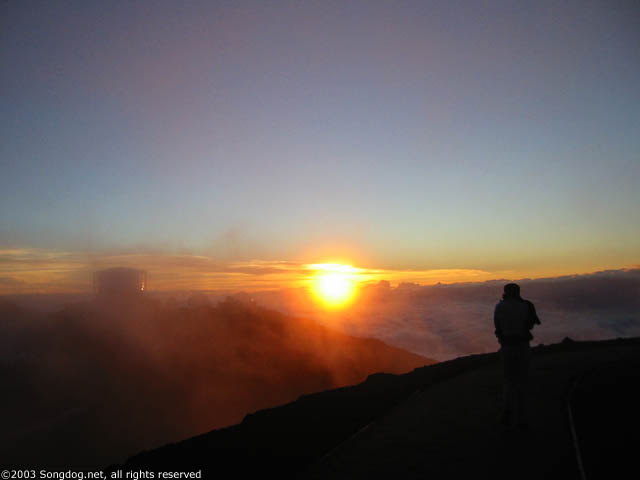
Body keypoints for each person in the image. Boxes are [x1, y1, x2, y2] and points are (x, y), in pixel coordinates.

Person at [493, 283, 540, 430]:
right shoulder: (526, 306)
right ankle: (522, 418)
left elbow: (497, 327)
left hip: (506, 347)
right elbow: (532, 324)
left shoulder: (499, 307)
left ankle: (507, 411)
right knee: (522, 381)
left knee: (508, 381)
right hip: (522, 347)